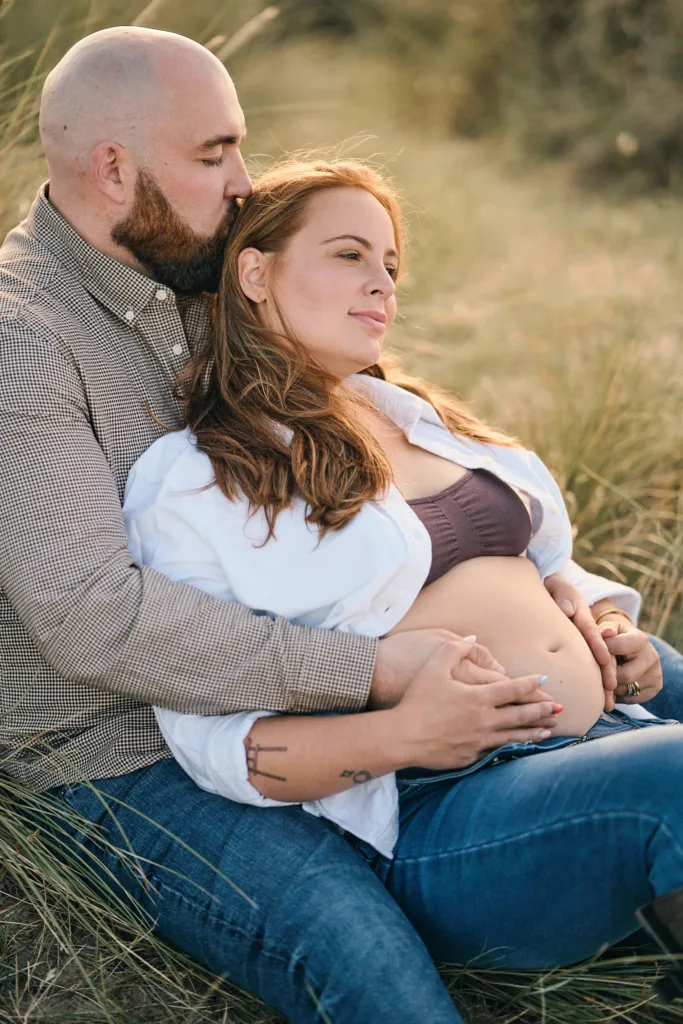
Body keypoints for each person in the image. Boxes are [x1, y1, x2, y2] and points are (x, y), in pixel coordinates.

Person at [0, 23, 678, 1024]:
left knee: (656, 668)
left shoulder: (188, 266)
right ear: (112, 167)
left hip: (338, 685)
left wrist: (564, 593)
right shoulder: (27, 339)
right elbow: (94, 621)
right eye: (214, 152)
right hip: (121, 749)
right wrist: (376, 679)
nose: (243, 180)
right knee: (356, 950)